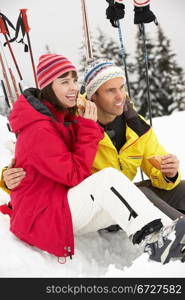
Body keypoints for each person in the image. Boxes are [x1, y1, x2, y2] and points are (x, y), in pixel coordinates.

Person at [0, 54, 185, 265]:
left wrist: (169, 173)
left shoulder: (131, 124)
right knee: (119, 183)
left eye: (74, 80)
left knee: (176, 188)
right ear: (92, 96)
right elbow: (39, 161)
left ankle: (173, 236)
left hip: (103, 200)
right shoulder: (71, 120)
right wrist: (6, 178)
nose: (120, 96)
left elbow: (41, 159)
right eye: (110, 90)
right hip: (61, 209)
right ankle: (159, 240)